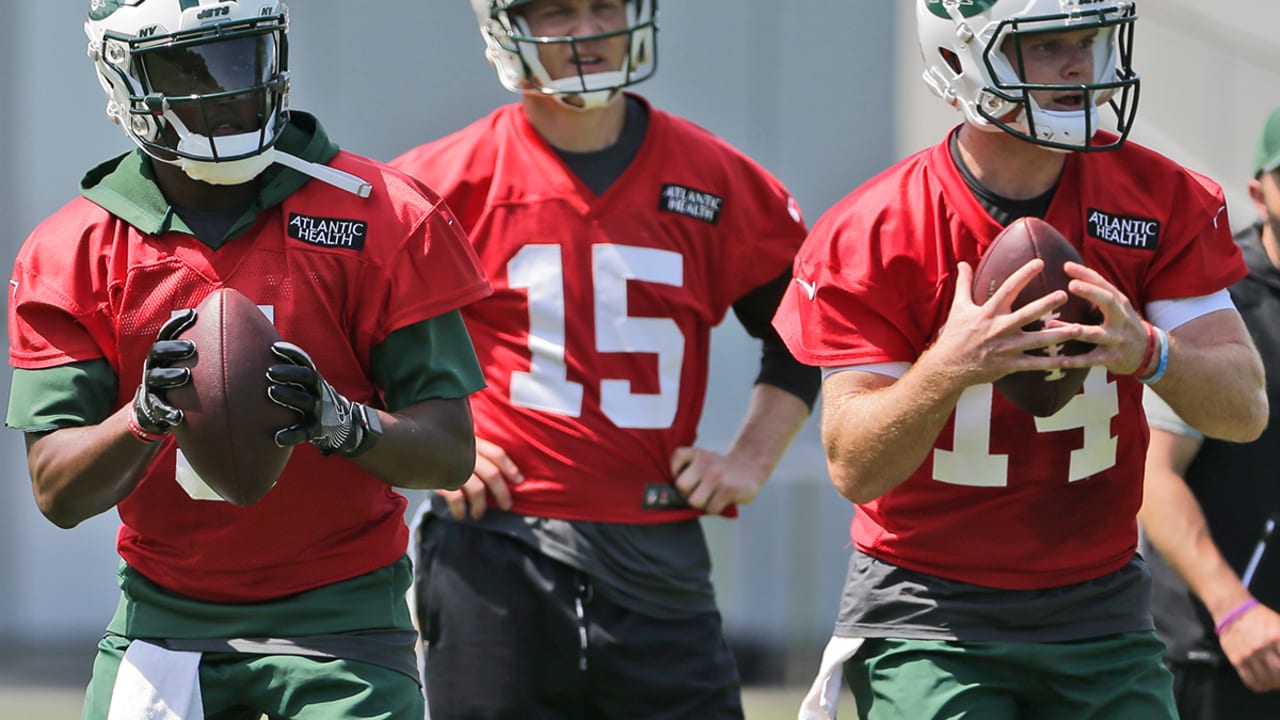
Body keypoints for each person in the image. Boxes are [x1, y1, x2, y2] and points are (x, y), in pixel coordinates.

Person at [773, 1, 1269, 719]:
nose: (1079, 64)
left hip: (1099, 596)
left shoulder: (1157, 197)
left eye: (1090, 40)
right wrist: (951, 366)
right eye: (1047, 46)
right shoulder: (879, 228)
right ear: (958, 60)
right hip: (932, 605)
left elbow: (1245, 411)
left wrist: (1151, 352)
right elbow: (855, 466)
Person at [6, 1, 491, 718]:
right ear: (123, 79)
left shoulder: (382, 212)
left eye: (242, 58)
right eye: (187, 65)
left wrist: (343, 423)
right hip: (165, 620)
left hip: (345, 615)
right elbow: (58, 493)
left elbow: (450, 453)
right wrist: (141, 418)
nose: (223, 91)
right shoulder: (74, 249)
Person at [390, 0, 819, 717]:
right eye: (558, 12)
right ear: (507, 27)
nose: (588, 33)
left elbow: (805, 328)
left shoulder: (716, 179)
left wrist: (750, 458)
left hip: (657, 541)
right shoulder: (438, 181)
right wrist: (426, 439)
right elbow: (348, 335)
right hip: (495, 540)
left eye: (604, 7)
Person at [1138, 104, 1280, 719]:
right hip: (1226, 655)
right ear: (1259, 193)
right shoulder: (1222, 304)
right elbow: (1153, 476)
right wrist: (1235, 609)